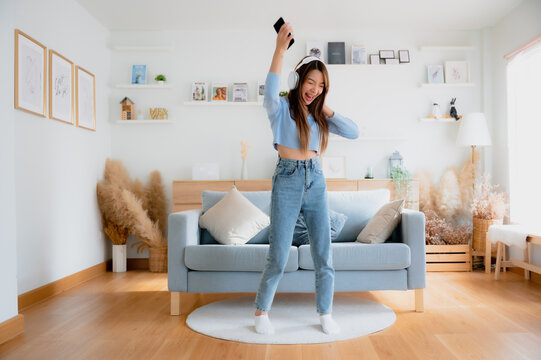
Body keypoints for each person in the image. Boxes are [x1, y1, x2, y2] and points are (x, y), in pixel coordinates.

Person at [254, 22, 359, 335]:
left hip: (316, 179)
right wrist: (279, 49)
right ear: (299, 81)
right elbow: (271, 88)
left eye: (321, 86)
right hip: (286, 179)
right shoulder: (280, 109)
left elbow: (354, 132)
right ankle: (261, 313)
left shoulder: (319, 117)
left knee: (323, 254)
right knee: (279, 254)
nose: (314, 88)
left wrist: (325, 107)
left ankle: (325, 313)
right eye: (310, 82)